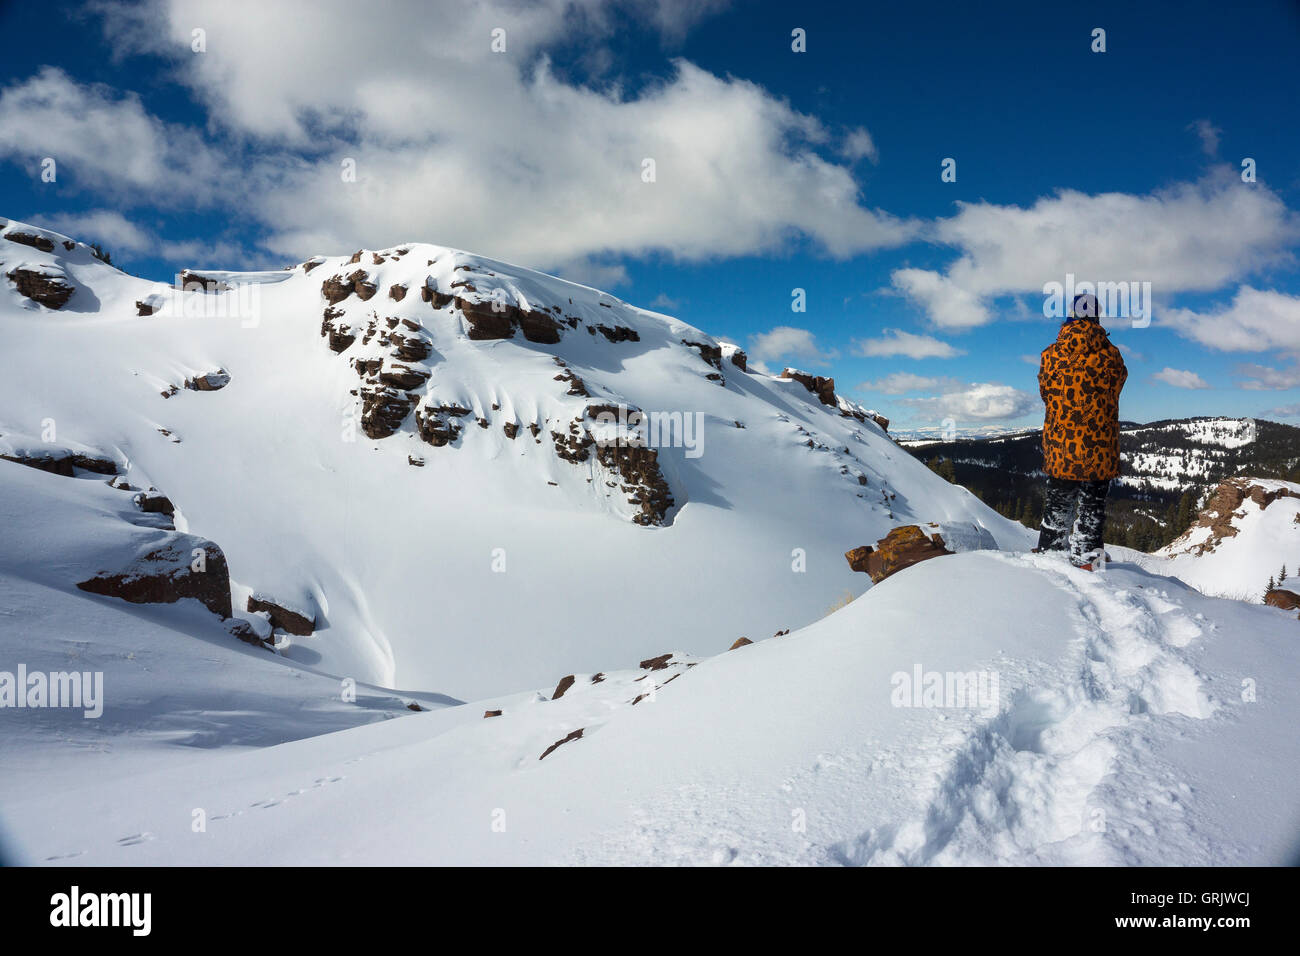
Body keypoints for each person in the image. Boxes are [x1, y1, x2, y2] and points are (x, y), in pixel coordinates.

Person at [1036, 292, 1127, 569]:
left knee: (1058, 501)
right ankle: (1087, 558)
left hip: (1061, 444)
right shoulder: (1111, 356)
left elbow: (1046, 392)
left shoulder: (1051, 355)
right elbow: (1118, 385)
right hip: (1099, 445)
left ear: (1069, 317)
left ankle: (1049, 552)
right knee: (1092, 506)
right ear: (1097, 317)